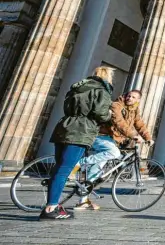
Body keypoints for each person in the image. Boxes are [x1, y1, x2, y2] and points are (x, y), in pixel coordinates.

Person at [40, 67, 114, 220]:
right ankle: (51, 208)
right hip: (81, 130)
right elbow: (100, 114)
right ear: (108, 77)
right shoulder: (102, 91)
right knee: (64, 170)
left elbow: (66, 107)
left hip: (64, 126)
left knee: (59, 168)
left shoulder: (77, 88)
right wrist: (109, 115)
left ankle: (52, 204)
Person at [73, 90, 154, 210]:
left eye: (133, 97)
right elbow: (119, 122)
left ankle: (82, 201)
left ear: (138, 100)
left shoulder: (134, 110)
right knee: (114, 153)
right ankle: (77, 164)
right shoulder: (116, 105)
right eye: (128, 96)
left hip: (111, 140)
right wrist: (133, 135)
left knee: (96, 171)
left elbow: (139, 123)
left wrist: (148, 138)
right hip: (100, 136)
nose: (130, 98)